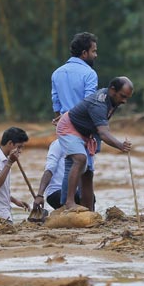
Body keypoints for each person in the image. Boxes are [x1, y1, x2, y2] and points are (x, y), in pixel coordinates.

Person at [56, 77, 134, 211]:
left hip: (86, 133)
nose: (124, 101)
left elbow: (103, 128)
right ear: (112, 90)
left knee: (88, 172)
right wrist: (120, 145)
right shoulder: (99, 103)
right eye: (122, 96)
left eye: (127, 98)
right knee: (80, 159)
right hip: (69, 128)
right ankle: (69, 202)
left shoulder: (113, 100)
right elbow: (103, 133)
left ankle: (89, 210)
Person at [51, 32, 99, 205]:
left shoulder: (57, 73)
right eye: (93, 51)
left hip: (64, 126)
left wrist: (60, 120)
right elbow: (90, 104)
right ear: (84, 53)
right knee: (87, 169)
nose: (95, 55)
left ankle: (67, 205)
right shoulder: (89, 73)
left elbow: (56, 102)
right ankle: (79, 206)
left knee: (70, 166)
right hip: (82, 126)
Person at [0, 127, 30, 221]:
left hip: (3, 209)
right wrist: (9, 163)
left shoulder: (4, 159)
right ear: (10, 143)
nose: (20, 151)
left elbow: (1, 190)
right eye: (19, 147)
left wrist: (15, 201)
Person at [33, 139, 81, 211]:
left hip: (74, 191)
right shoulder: (58, 144)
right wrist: (40, 195)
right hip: (56, 191)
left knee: (90, 197)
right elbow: (50, 168)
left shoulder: (82, 144)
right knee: (78, 197)